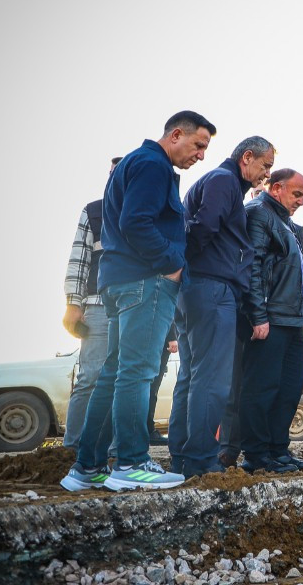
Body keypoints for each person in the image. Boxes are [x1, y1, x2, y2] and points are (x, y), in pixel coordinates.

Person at [60, 110, 215, 492]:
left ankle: (87, 467)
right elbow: (136, 223)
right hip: (145, 282)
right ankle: (130, 462)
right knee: (137, 372)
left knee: (114, 373)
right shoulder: (152, 164)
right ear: (176, 134)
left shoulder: (136, 162)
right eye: (199, 145)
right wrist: (172, 265)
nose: (201, 156)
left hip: (121, 283)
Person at [169, 136, 274, 477]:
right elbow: (202, 229)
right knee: (212, 381)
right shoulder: (223, 181)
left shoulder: (219, 182)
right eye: (265, 165)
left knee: (192, 376)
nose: (265, 174)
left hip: (198, 288)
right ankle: (200, 460)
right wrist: (191, 267)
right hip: (212, 288)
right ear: (247, 157)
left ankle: (184, 459)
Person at [240, 169, 303, 473]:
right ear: (276, 189)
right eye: (297, 194)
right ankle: (256, 455)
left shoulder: (292, 225)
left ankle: (278, 451)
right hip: (269, 318)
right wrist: (258, 315)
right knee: (262, 388)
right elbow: (252, 266)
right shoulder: (258, 214)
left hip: (294, 319)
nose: (300, 201)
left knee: (289, 389)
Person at [61, 156, 121, 451]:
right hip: (97, 307)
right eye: (114, 173)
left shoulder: (146, 211)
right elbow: (79, 259)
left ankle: (110, 449)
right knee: (90, 377)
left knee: (127, 380)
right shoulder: (94, 211)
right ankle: (72, 447)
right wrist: (73, 304)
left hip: (134, 309)